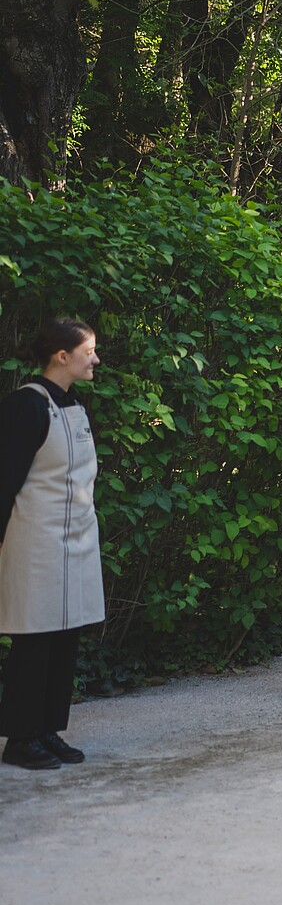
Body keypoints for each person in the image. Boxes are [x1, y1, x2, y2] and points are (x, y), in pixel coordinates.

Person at [0, 319, 106, 770]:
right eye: (89, 351)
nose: (96, 359)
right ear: (62, 356)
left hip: (77, 537)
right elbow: (5, 480)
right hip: (35, 540)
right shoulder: (26, 405)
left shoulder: (75, 405)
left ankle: (47, 729)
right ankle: (20, 739)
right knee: (35, 638)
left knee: (66, 635)